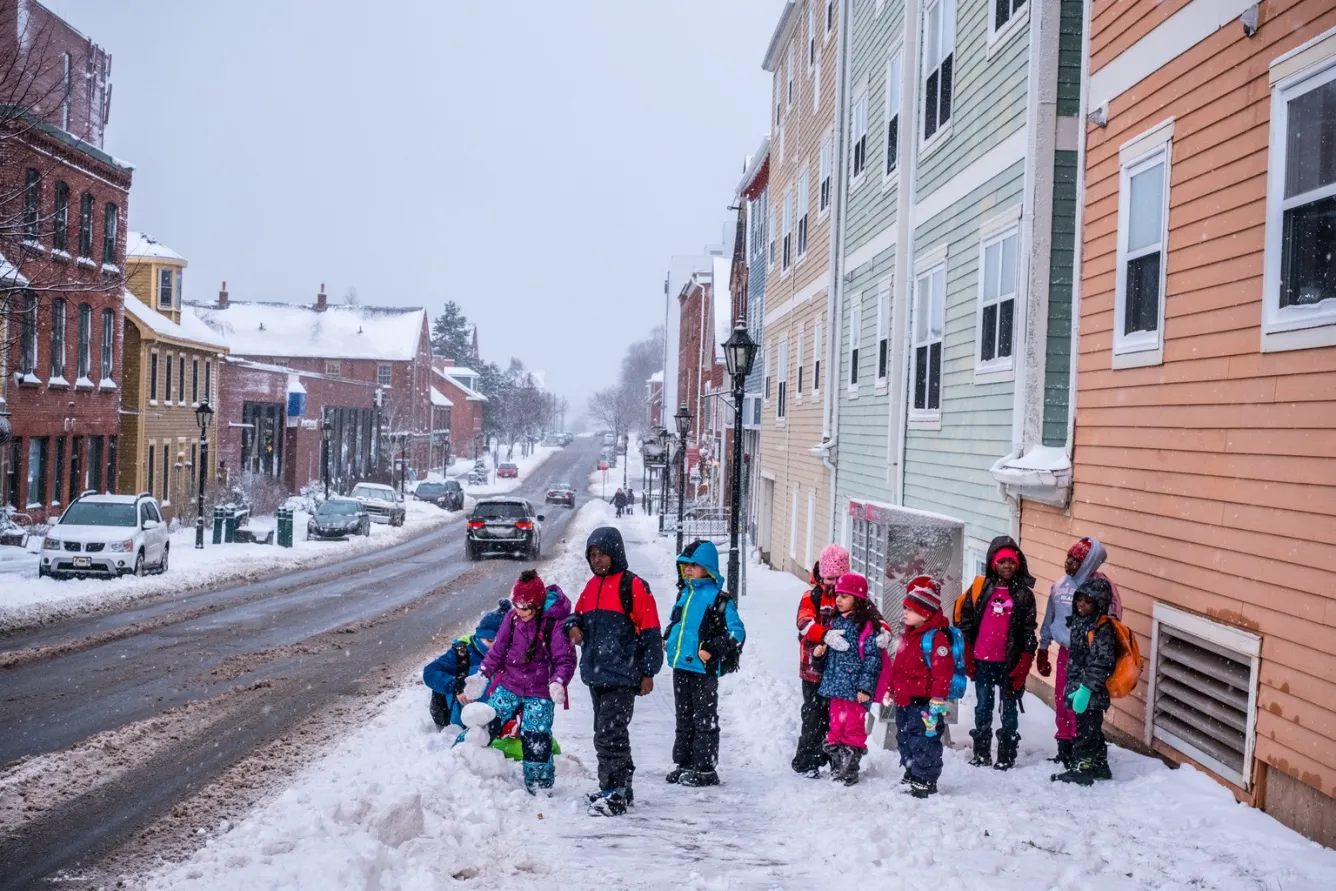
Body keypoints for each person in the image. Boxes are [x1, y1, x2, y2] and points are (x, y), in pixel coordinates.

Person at [565, 526, 663, 816]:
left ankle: (614, 793)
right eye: (592, 555)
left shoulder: (632, 586)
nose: (597, 560)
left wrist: (648, 672)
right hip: (597, 673)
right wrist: (573, 626)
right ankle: (619, 786)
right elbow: (576, 613)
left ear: (616, 553)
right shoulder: (591, 586)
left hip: (622, 674)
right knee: (608, 732)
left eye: (602, 554)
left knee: (609, 736)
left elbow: (650, 631)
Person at [463, 573, 576, 793]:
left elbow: (566, 658)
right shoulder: (512, 619)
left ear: (537, 604)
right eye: (517, 605)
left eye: (525, 607)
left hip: (541, 690)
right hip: (510, 683)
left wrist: (559, 681)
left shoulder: (554, 623)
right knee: (488, 720)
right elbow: (498, 650)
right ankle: (462, 758)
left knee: (536, 735)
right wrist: (482, 675)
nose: (520, 611)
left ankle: (539, 784)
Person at [663, 539, 746, 787]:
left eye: (694, 565)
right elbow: (677, 622)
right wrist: (668, 637)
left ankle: (706, 768)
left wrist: (712, 648)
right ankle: (685, 763)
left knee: (704, 718)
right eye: (685, 565)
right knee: (683, 717)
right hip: (681, 666)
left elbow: (736, 632)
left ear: (708, 568)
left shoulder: (720, 600)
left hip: (703, 670)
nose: (688, 570)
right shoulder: (684, 594)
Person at [1036, 537, 1122, 768]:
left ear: (1088, 563)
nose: (1069, 563)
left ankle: (1081, 750)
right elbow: (1050, 617)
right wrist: (1043, 648)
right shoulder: (1060, 585)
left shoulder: (1102, 588)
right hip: (1066, 652)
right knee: (1063, 698)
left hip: (1091, 657)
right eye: (1068, 558)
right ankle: (1064, 745)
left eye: (1076, 560)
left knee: (1084, 704)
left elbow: (1113, 621)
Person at [955, 535, 1037, 771]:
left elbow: (1029, 631)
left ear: (1018, 564)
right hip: (983, 660)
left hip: (1009, 662)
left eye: (1011, 562)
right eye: (1002, 562)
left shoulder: (1024, 594)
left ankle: (1006, 754)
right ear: (993, 563)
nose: (1007, 566)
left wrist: (1024, 662)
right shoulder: (982, 588)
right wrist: (968, 652)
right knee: (983, 706)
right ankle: (981, 752)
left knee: (1009, 709)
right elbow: (967, 621)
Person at [884, 576, 956, 799]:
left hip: (925, 703)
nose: (904, 612)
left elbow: (942, 673)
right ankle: (911, 770)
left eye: (910, 609)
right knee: (905, 738)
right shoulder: (908, 636)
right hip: (905, 701)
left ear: (925, 614)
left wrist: (938, 698)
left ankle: (925, 778)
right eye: (905, 607)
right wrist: (891, 689)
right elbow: (899, 669)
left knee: (925, 740)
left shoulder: (936, 639)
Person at [815, 572, 882, 786]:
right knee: (836, 727)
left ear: (858, 600)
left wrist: (865, 688)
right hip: (836, 686)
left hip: (855, 690)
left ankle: (849, 768)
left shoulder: (865, 627)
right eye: (838, 595)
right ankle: (838, 765)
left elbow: (872, 660)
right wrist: (820, 651)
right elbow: (832, 654)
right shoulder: (834, 622)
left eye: (845, 596)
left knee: (853, 728)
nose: (839, 600)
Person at [1051, 576, 1117, 785]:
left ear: (1099, 604)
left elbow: (1101, 663)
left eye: (1088, 602)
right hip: (1079, 686)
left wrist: (1086, 689)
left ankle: (1082, 768)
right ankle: (1099, 765)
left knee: (1086, 732)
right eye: (1080, 599)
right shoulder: (1082, 623)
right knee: (1091, 730)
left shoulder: (1101, 629)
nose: (1082, 605)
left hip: (1090, 691)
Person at [791, 544, 846, 777]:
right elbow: (804, 623)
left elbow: (870, 618)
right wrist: (824, 635)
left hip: (839, 669)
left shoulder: (849, 597)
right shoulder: (811, 596)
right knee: (813, 714)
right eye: (827, 577)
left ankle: (833, 758)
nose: (831, 582)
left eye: (836, 578)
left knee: (836, 715)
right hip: (813, 667)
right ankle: (807, 760)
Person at [422, 601, 507, 730]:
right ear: (479, 636)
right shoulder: (463, 653)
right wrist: (456, 686)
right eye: (489, 640)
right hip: (459, 720)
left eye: (498, 642)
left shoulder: (510, 653)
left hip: (495, 717)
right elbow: (430, 672)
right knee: (476, 672)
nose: (493, 646)